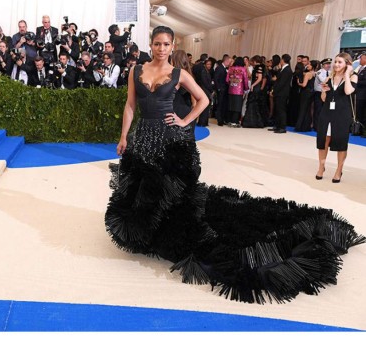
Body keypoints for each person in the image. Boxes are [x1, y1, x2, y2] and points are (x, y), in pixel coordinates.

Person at [105, 26, 365, 305]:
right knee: (143, 187)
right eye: (157, 43)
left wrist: (183, 121)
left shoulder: (180, 74)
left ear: (171, 47)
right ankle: (147, 233)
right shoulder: (136, 71)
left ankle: (161, 233)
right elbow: (131, 105)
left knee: (171, 191)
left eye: (166, 44)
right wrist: (123, 136)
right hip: (143, 137)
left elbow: (203, 99)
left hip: (169, 139)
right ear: (151, 44)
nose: (161, 48)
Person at [316, 53, 358, 183]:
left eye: (340, 62)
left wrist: (347, 74)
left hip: (342, 114)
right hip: (326, 113)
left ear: (347, 64)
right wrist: (324, 90)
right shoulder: (329, 77)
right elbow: (323, 99)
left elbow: (348, 91)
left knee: (340, 143)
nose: (336, 64)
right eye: (336, 62)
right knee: (323, 141)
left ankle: (339, 170)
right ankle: (321, 167)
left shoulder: (353, 77)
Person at [294, 60, 318, 132]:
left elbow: (304, 85)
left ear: (312, 66)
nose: (307, 66)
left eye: (309, 64)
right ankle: (306, 126)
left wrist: (298, 83)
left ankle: (300, 126)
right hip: (311, 93)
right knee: (308, 110)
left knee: (303, 109)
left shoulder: (308, 74)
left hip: (306, 93)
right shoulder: (315, 73)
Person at [226, 56, 249, 127]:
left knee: (231, 105)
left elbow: (227, 80)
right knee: (237, 106)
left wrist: (231, 84)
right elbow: (245, 80)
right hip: (239, 90)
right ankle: (235, 121)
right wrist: (246, 88)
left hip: (231, 90)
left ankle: (229, 120)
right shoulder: (243, 69)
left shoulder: (230, 69)